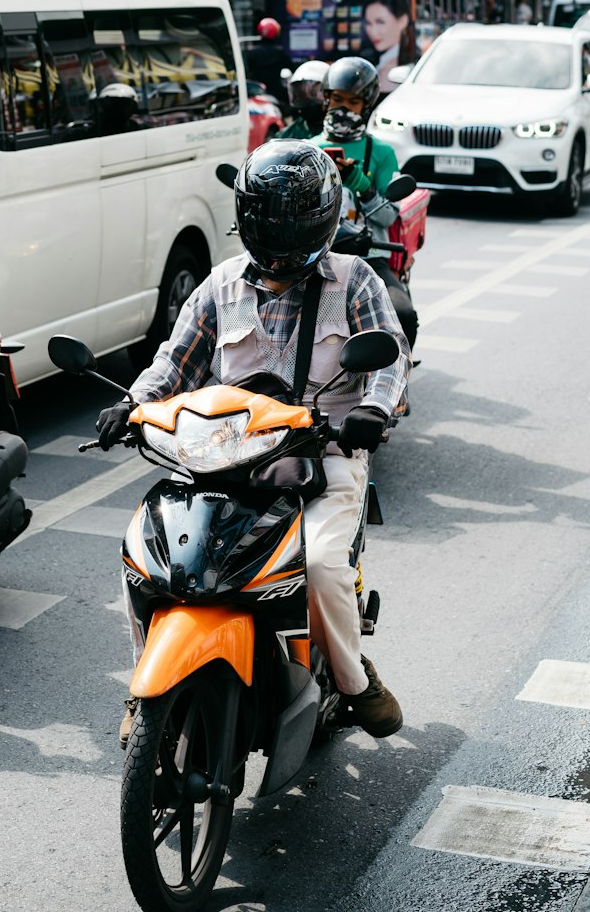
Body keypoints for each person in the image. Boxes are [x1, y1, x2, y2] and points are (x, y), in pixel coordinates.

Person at [97, 140, 410, 744]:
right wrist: (130, 405)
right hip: (224, 459)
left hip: (325, 457)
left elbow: (389, 359)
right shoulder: (220, 286)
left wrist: (373, 409)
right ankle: (146, 686)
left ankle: (352, 682)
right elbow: (173, 364)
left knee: (319, 564)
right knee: (144, 557)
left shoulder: (354, 280)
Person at [319, 56, 418, 349]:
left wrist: (360, 182)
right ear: (326, 99)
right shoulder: (308, 147)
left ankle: (396, 383)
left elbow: (388, 218)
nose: (343, 109)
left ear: (366, 106)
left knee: (403, 315)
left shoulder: (382, 152)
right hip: (317, 258)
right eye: (337, 99)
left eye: (352, 102)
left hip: (371, 257)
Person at [363, 0, 413, 93]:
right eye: (368, 23)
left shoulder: (390, 71)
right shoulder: (386, 62)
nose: (373, 32)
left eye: (380, 22)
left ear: (403, 21)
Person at [245, 16, 291, 107]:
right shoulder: (279, 52)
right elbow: (291, 67)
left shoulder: (251, 52)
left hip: (254, 91)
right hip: (276, 92)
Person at [278, 60, 329, 139]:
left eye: (313, 93)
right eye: (300, 94)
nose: (307, 100)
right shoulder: (286, 135)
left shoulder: (340, 132)